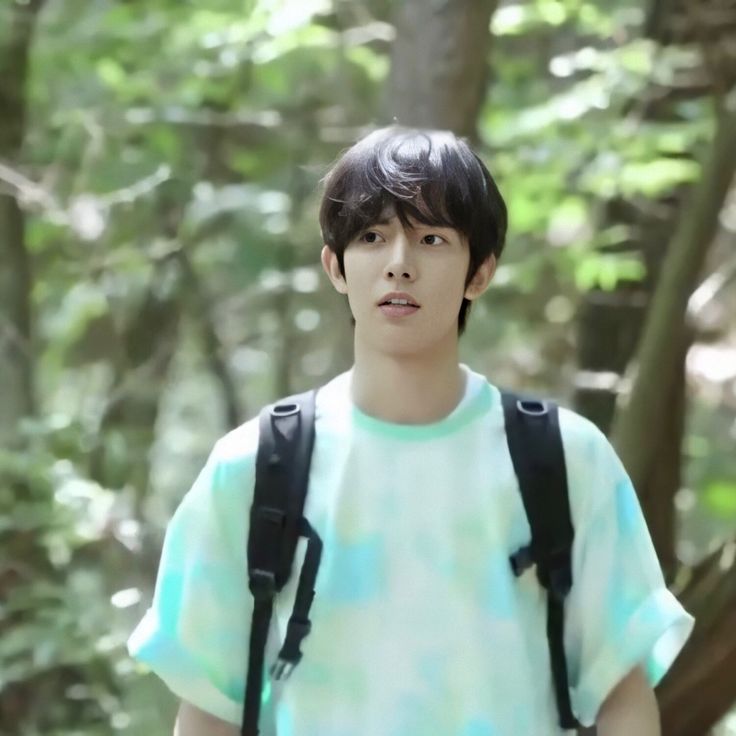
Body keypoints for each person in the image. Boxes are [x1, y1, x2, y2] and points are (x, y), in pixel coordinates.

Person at [128, 127, 694, 736]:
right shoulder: (255, 465)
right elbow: (207, 708)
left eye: (431, 239)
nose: (399, 265)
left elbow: (622, 695)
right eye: (372, 237)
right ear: (336, 266)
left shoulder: (563, 458)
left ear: (480, 272)